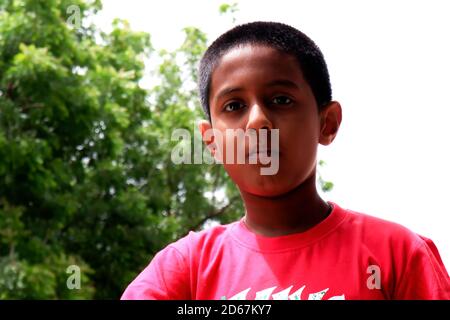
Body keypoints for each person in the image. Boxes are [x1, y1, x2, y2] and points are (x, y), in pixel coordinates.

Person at [121, 21, 450, 300]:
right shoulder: (182, 271)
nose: (257, 122)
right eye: (234, 106)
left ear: (327, 123)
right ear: (213, 142)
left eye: (280, 99)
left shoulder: (398, 255)